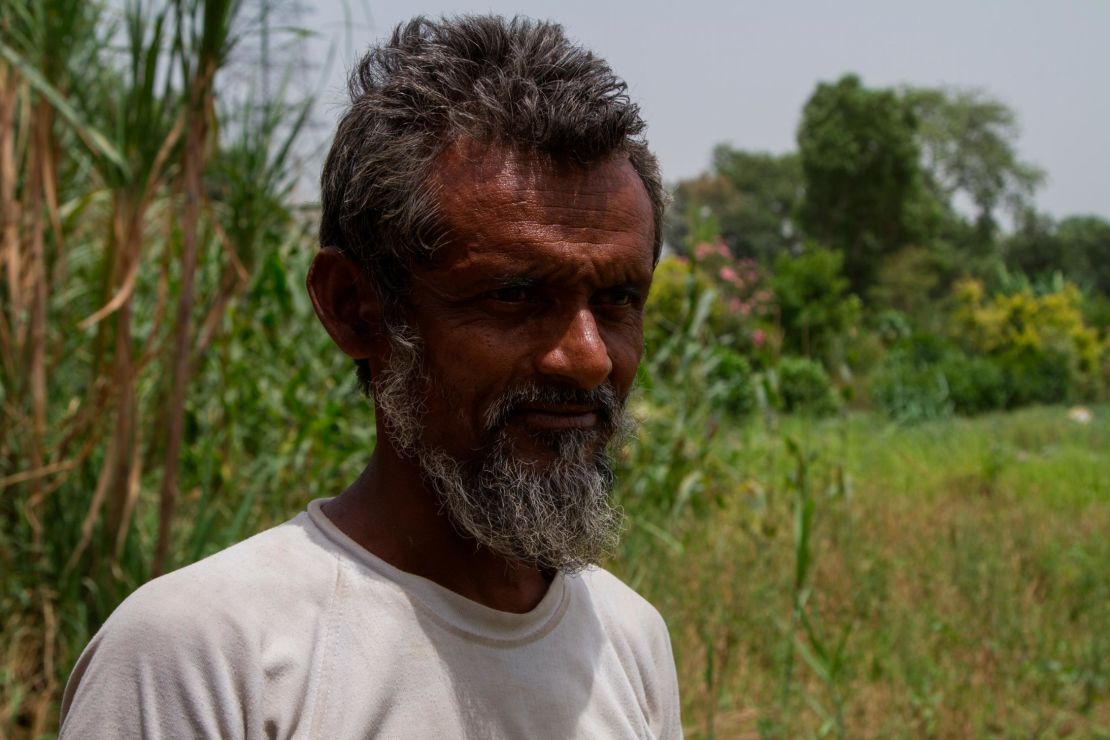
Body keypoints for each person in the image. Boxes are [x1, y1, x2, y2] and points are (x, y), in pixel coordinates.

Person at [60, 15, 681, 738]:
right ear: (355, 310)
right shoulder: (206, 656)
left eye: (618, 301)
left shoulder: (629, 640)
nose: (588, 357)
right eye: (514, 296)